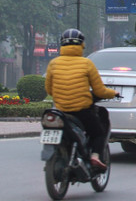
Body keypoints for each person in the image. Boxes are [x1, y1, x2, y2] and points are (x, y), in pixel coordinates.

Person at [44, 29, 117, 169]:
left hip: (60, 111)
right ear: (82, 45)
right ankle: (95, 156)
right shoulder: (87, 64)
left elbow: (49, 90)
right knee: (98, 132)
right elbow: (99, 91)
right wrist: (113, 93)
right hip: (81, 111)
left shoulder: (53, 63)